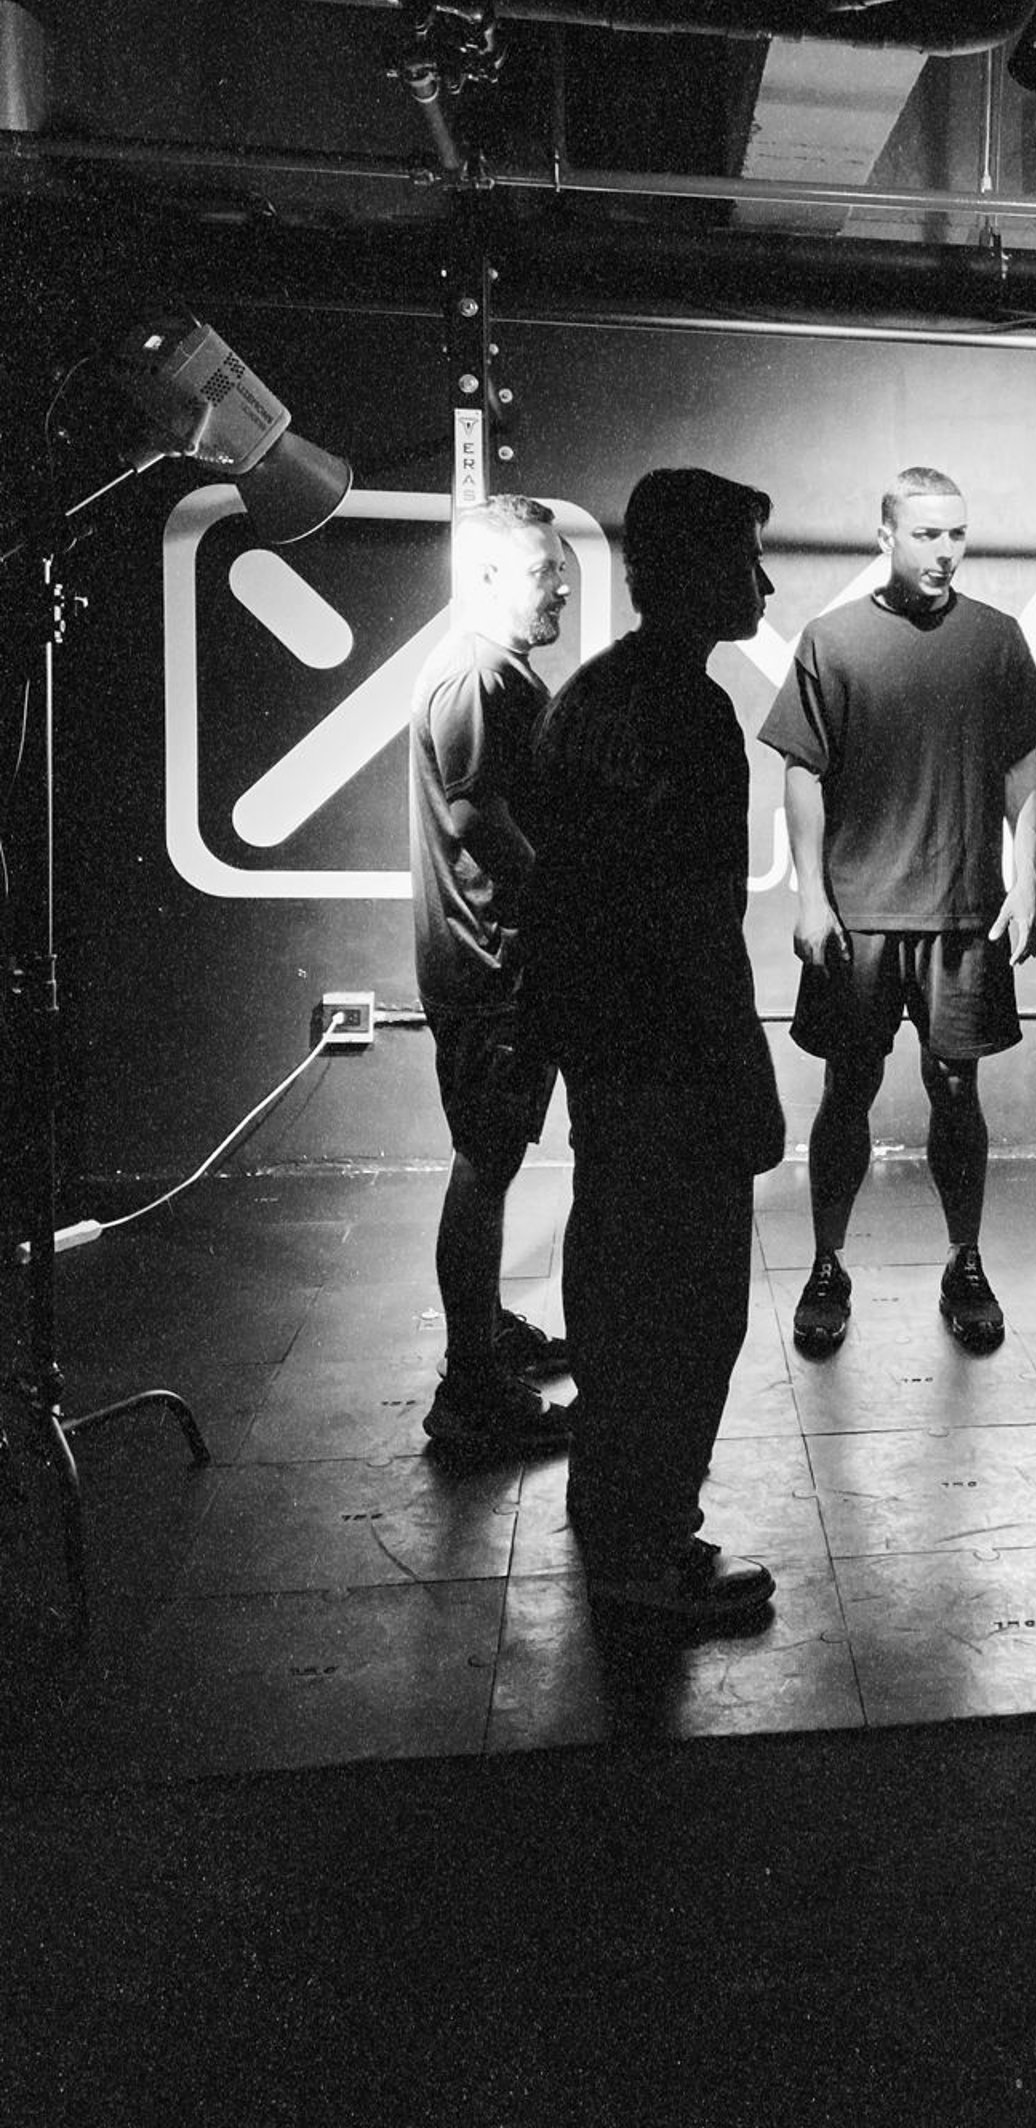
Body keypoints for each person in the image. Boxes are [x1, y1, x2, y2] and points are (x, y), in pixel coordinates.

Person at [517, 467, 786, 1625]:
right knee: (690, 1311)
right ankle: (649, 1551)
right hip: (675, 1060)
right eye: (747, 561)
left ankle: (613, 1512)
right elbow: (694, 922)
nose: (764, 585)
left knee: (619, 1291)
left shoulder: (590, 696)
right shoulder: (690, 713)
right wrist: (746, 1079)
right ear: (695, 571)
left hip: (607, 1055)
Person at [760, 466, 1036, 1357]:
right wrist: (811, 896)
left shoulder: (997, 639)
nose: (945, 550)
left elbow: (1024, 769)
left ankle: (965, 1262)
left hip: (964, 910)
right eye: (927, 534)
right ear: (885, 535)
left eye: (957, 533)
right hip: (859, 914)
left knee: (957, 1088)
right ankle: (827, 1264)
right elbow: (802, 770)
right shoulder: (832, 639)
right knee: (846, 1088)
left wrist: (1030, 879)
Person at [410, 494, 574, 1459]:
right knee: (486, 1160)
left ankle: (482, 1335)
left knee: (493, 1156)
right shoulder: (474, 671)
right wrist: (567, 902)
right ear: (483, 576)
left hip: (496, 956)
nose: (561, 585)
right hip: (489, 961)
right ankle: (469, 1389)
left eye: (560, 568)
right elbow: (477, 817)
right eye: (543, 570)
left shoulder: (497, 668)